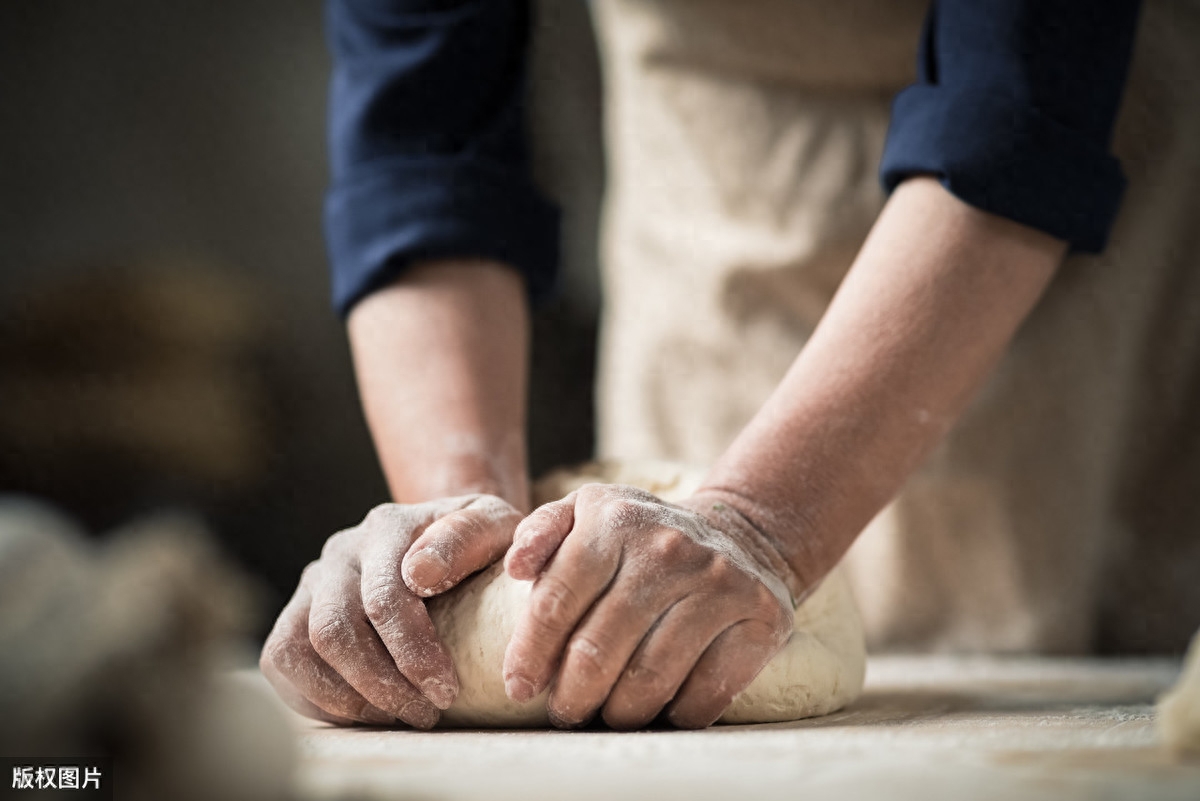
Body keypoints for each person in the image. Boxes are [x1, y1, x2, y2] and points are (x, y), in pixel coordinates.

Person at [261, 0, 1200, 730]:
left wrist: (761, 520)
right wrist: (456, 543)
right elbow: (425, 143)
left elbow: (1019, 116)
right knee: (643, 661)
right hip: (712, 255)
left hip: (1040, 276)